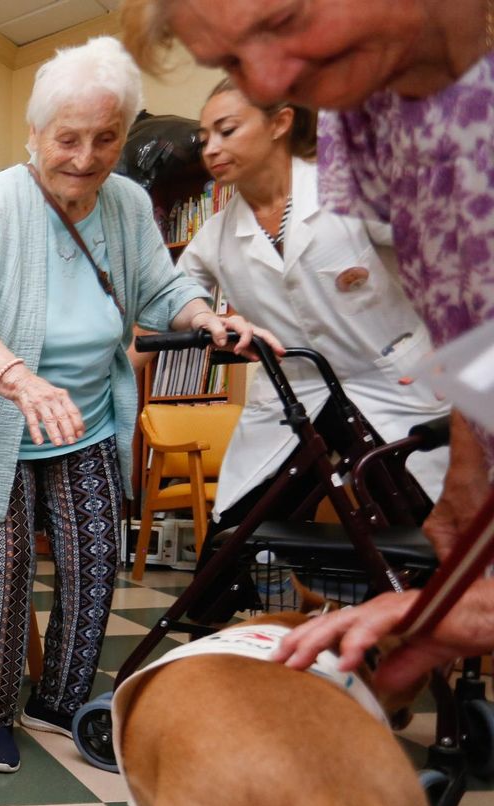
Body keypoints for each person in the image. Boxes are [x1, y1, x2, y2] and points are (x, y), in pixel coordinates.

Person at [122, 0, 494, 806]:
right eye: (232, 62)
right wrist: (473, 459)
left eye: (280, 20)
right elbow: (472, 302)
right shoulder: (374, 128)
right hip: (435, 395)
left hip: (398, 390)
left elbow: (435, 327)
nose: (272, 74)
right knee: (266, 529)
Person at [0, 35, 278, 774]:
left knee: (93, 563)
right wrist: (19, 378)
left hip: (85, 419)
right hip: (0, 421)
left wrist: (207, 319)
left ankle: (60, 701)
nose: (85, 157)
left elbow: (162, 288)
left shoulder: (127, 202)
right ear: (35, 136)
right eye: (68, 139)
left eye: (105, 138)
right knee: (6, 570)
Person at [179, 79, 450, 528]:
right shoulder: (215, 236)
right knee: (239, 533)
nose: (211, 148)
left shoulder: (351, 192)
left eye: (226, 130)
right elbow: (173, 296)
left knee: (421, 530)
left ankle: (391, 597)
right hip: (296, 391)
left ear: (280, 122)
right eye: (204, 138)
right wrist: (210, 320)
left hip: (391, 383)